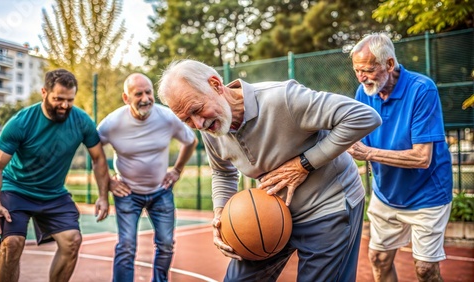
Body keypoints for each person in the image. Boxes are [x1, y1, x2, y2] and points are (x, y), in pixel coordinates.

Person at [157, 59, 382, 281]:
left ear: (216, 85)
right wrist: (220, 214)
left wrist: (304, 163)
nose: (197, 124)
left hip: (328, 205)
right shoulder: (211, 127)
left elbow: (364, 117)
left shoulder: (282, 98)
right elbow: (223, 172)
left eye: (197, 110)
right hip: (270, 215)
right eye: (186, 119)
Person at [347, 33, 453, 282]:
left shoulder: (421, 89)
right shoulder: (363, 92)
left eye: (368, 70)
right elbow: (354, 141)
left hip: (428, 194)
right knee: (378, 259)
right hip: (387, 194)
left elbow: (422, 157)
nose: (362, 77)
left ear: (390, 64)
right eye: (356, 70)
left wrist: (368, 153)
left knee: (425, 270)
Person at [0, 69, 110, 282]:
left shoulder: (81, 121)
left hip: (53, 193)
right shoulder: (22, 122)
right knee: (12, 243)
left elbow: (99, 158)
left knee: (72, 240)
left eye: (70, 100)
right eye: (58, 99)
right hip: (16, 189)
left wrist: (102, 195)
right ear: (44, 92)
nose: (64, 105)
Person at [97, 73, 198, 282]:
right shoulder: (112, 123)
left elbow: (191, 141)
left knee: (166, 244)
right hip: (127, 193)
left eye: (148, 92)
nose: (145, 98)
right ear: (126, 98)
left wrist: (177, 170)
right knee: (126, 246)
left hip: (160, 191)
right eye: (138, 94)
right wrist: (108, 182)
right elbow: (94, 151)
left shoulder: (167, 117)